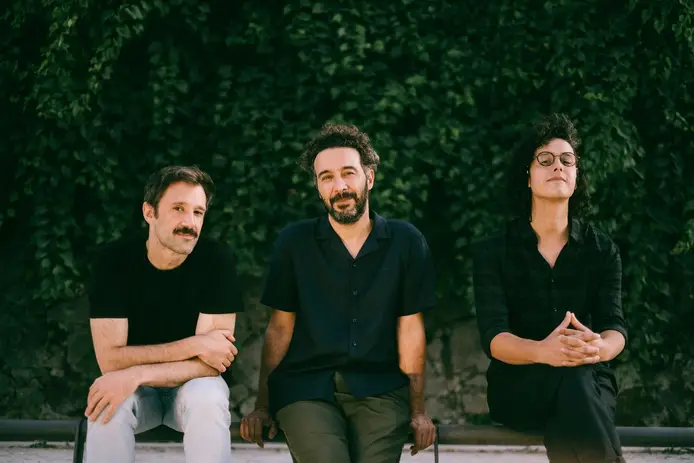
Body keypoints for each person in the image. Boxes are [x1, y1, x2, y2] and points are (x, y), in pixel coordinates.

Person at [240, 123, 437, 462]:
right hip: (306, 389)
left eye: (348, 173)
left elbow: (410, 331)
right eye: (326, 177)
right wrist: (262, 405)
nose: (340, 186)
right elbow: (280, 329)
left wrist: (418, 411)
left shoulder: (406, 242)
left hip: (381, 391)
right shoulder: (294, 243)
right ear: (318, 188)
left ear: (369, 178)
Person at [472, 114, 628, 462]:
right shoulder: (493, 252)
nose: (558, 166)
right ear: (527, 176)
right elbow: (494, 337)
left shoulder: (602, 250)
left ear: (576, 177)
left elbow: (615, 327)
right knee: (574, 385)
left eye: (567, 160)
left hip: (588, 380)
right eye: (545, 159)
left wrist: (598, 348)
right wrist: (544, 351)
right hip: (520, 386)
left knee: (576, 381)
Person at [84, 165, 244, 463]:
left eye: (198, 212)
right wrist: (195, 345)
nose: (190, 222)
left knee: (208, 397)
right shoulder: (113, 262)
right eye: (178, 209)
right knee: (107, 402)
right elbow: (109, 360)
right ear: (149, 212)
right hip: (137, 391)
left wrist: (138, 372)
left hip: (189, 386)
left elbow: (214, 363)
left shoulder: (216, 260)